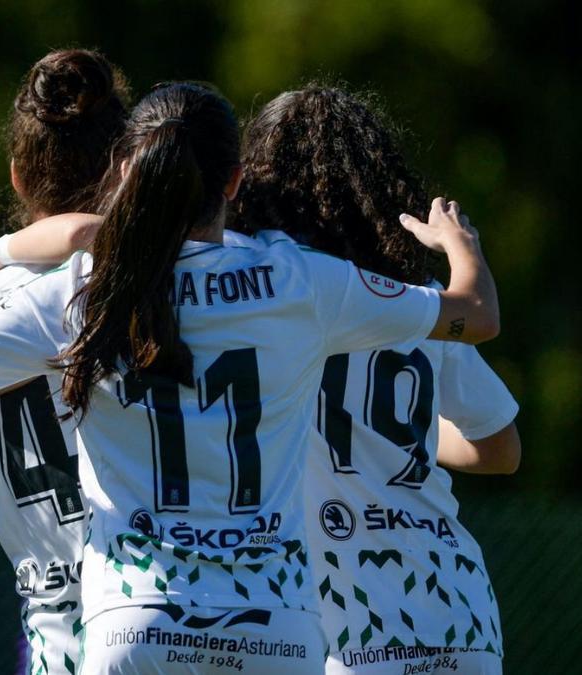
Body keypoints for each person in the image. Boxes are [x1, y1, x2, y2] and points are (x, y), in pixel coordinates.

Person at [0, 82, 500, 674]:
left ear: (125, 173)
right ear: (232, 185)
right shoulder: (299, 281)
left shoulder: (86, 290)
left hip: (136, 624)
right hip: (276, 631)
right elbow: (475, 315)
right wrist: (456, 243)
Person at [231, 86, 519, 675]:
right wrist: (402, 439)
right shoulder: (416, 308)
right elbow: (501, 450)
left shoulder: (261, 301)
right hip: (461, 617)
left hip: (349, 630)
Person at [0, 48, 129, 675]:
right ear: (124, 166)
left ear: (19, 176)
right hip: (149, 605)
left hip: (52, 631)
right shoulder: (129, 280)